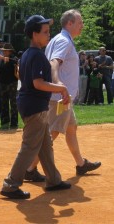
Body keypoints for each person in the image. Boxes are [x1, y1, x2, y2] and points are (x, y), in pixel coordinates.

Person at [0, 15, 71, 200]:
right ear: (34, 34)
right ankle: (10, 185)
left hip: (32, 104)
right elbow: (38, 83)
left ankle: (54, 180)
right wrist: (62, 88)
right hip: (35, 106)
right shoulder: (38, 55)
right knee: (30, 146)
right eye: (45, 32)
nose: (49, 35)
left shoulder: (27, 54)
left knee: (45, 144)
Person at [26, 9, 101, 180]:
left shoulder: (60, 39)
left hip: (63, 97)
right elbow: (54, 64)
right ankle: (29, 169)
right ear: (69, 23)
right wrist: (58, 85)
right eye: (80, 22)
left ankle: (81, 164)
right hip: (60, 98)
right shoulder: (64, 41)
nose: (82, 25)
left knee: (71, 129)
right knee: (52, 133)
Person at [0, 43, 19, 129]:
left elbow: (15, 61)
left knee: (13, 104)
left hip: (12, 83)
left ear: (10, 51)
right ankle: (4, 122)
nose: (4, 52)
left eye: (5, 51)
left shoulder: (13, 58)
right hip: (2, 83)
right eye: (3, 51)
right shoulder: (1, 60)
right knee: (3, 103)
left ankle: (14, 123)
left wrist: (2, 58)